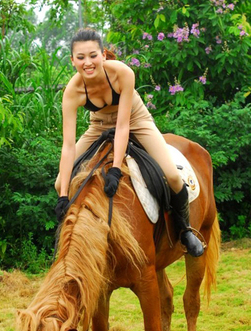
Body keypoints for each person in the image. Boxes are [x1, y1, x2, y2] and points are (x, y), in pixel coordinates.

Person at [55, 28, 204, 257]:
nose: (88, 63)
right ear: (72, 60)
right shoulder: (72, 92)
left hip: (135, 120)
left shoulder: (123, 74)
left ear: (103, 55)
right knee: (59, 183)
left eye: (93, 55)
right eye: (81, 57)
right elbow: (68, 146)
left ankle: (185, 230)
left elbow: (123, 125)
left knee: (173, 176)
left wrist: (115, 170)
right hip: (99, 126)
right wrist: (64, 195)